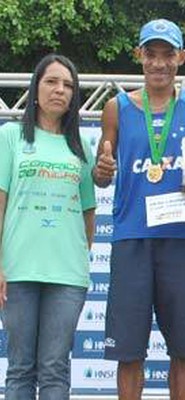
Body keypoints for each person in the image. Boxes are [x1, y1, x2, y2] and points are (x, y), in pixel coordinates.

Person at [92, 19, 185, 399]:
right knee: (129, 351)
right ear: (139, 56)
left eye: (168, 54)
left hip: (183, 238)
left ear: (181, 57)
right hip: (132, 239)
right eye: (151, 54)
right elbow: (102, 173)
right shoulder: (115, 108)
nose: (159, 63)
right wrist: (102, 170)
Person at [0, 54, 95, 399]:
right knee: (20, 368)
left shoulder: (81, 146)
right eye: (52, 82)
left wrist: (76, 258)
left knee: (56, 370)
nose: (60, 90)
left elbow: (88, 214)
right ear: (35, 88)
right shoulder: (10, 136)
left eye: (68, 85)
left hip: (68, 276)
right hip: (18, 270)